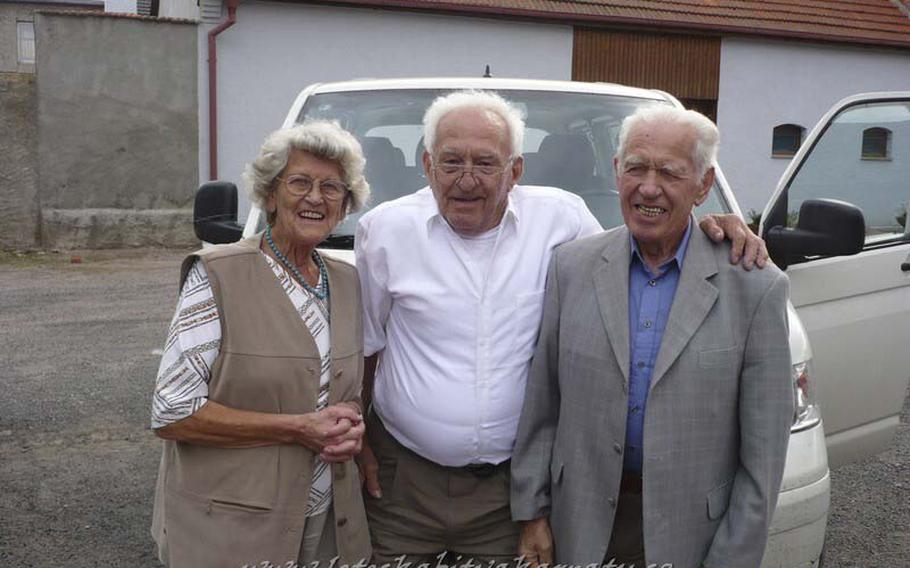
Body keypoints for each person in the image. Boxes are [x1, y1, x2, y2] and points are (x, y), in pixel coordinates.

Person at [355, 90, 770, 566]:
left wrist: (710, 229)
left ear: (515, 171)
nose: (466, 179)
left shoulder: (565, 222)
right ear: (427, 165)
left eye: (486, 164)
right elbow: (364, 347)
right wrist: (362, 442)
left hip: (509, 494)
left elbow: (636, 254)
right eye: (451, 161)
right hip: (401, 483)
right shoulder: (382, 231)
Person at [511, 106, 793, 568]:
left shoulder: (756, 289)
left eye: (670, 172)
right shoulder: (571, 267)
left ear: (703, 185)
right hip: (576, 522)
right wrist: (532, 512)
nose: (648, 187)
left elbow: (762, 463)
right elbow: (543, 405)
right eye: (636, 167)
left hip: (692, 534)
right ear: (618, 170)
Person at [150, 121, 372, 568]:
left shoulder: (347, 279)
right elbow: (172, 411)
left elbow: (340, 390)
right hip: (234, 528)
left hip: (329, 522)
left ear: (346, 204)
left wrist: (352, 426)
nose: (315, 197)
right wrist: (298, 427)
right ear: (270, 194)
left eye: (332, 187)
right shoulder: (217, 273)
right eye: (300, 182)